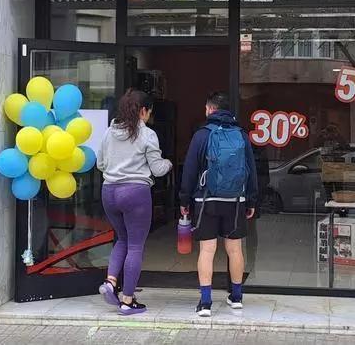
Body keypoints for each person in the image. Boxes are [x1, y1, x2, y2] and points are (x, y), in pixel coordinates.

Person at [179, 91, 258, 318]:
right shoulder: (241, 135)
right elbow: (251, 170)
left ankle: (205, 302)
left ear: (210, 109)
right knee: (235, 249)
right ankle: (237, 297)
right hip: (235, 200)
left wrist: (184, 199)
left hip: (207, 199)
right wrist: (251, 199)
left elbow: (190, 170)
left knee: (207, 250)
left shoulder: (202, 135)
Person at [96, 89, 172, 316]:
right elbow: (157, 169)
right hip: (135, 193)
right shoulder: (147, 134)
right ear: (143, 111)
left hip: (109, 191)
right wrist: (168, 163)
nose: (149, 116)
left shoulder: (109, 132)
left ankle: (110, 282)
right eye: (149, 112)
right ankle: (127, 301)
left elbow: (100, 164)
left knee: (122, 239)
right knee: (136, 246)